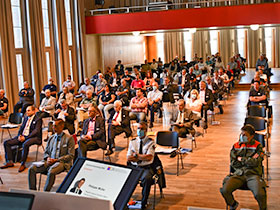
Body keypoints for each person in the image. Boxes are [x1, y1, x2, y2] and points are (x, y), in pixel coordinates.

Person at [220, 125, 267, 210]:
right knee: (224, 190)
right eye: (241, 134)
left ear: (252, 136)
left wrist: (241, 159)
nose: (242, 136)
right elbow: (234, 163)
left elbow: (256, 162)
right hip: (238, 174)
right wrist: (249, 160)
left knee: (260, 194)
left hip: (253, 175)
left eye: (245, 135)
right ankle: (233, 204)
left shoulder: (258, 146)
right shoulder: (236, 146)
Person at [28, 119, 75, 191]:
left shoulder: (69, 138)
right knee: (31, 169)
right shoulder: (51, 138)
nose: (53, 128)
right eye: (53, 126)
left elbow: (71, 155)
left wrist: (56, 160)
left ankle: (45, 192)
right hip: (50, 161)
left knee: (51, 171)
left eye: (55, 126)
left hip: (61, 162)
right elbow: (46, 152)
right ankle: (33, 191)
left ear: (62, 126)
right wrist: (47, 158)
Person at [1, 106, 42, 172]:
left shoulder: (38, 119)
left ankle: (23, 164)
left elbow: (36, 131)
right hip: (23, 136)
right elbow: (21, 128)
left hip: (34, 138)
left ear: (33, 111)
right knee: (7, 143)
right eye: (26, 110)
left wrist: (25, 138)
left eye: (28, 110)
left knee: (25, 144)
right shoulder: (26, 118)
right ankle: (9, 161)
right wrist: (19, 135)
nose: (27, 112)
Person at [127, 122, 155, 210]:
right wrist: (141, 157)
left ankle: (144, 202)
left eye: (141, 129)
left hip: (146, 167)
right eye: (138, 128)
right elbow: (129, 158)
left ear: (146, 131)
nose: (139, 130)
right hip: (135, 167)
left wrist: (136, 156)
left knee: (147, 179)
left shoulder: (150, 142)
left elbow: (149, 157)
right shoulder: (133, 142)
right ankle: (125, 200)